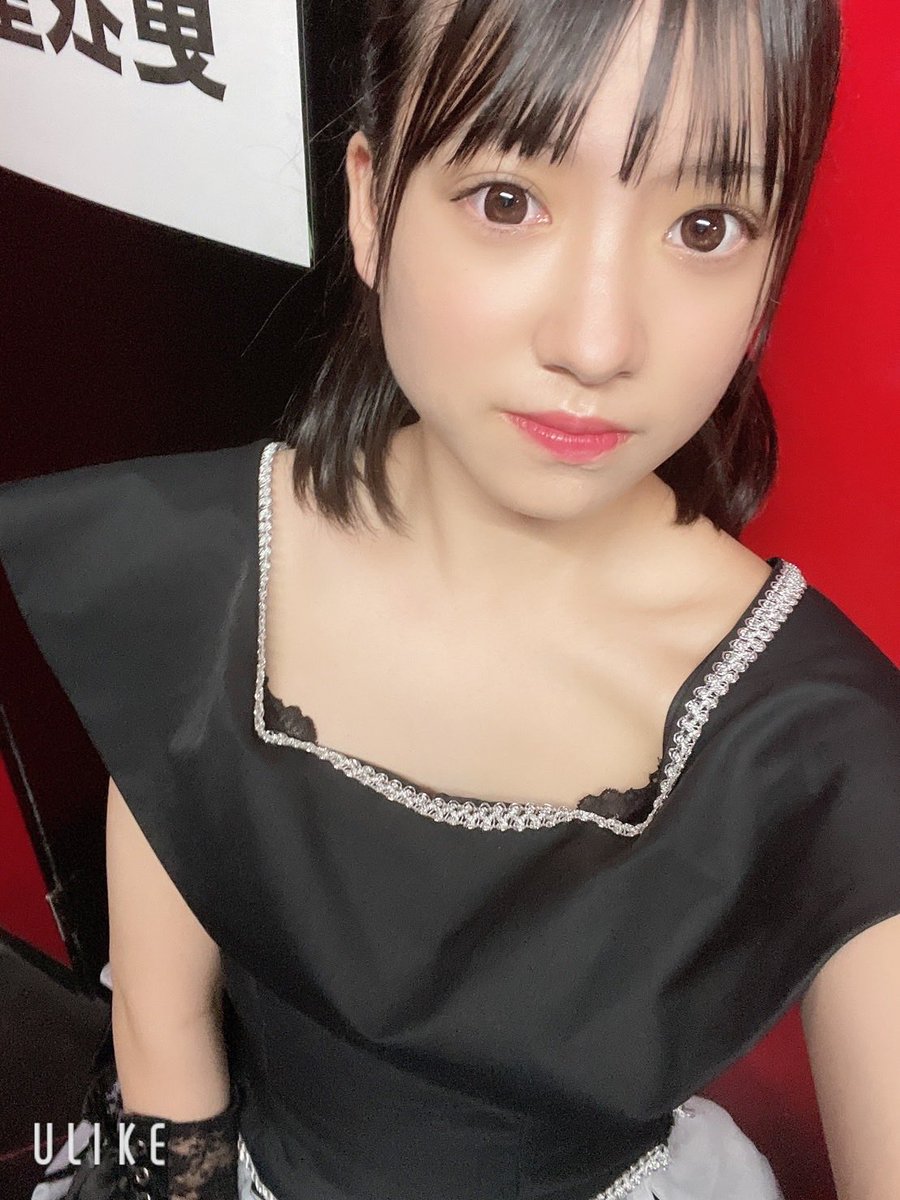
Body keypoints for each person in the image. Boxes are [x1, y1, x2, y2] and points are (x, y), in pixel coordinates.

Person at [2, 0, 899, 1198]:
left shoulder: (828, 748)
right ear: (372, 205)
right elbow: (163, 1055)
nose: (597, 342)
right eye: (508, 200)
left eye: (705, 226)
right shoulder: (199, 574)